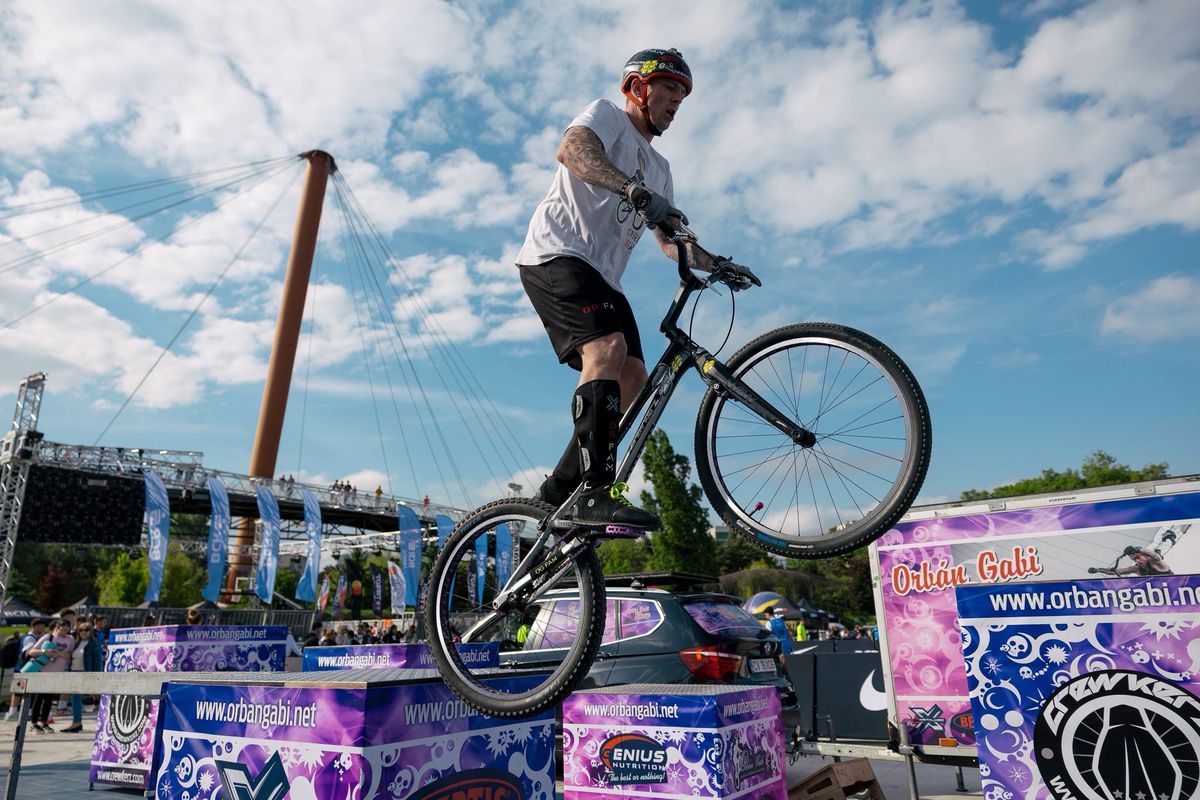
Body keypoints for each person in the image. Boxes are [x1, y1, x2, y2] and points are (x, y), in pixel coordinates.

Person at [518, 48, 720, 530]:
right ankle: (595, 491)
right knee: (605, 348)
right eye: (669, 90)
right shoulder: (606, 116)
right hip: (558, 253)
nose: (676, 103)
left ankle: (558, 490)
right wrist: (631, 189)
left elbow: (670, 241)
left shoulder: (661, 168)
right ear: (637, 88)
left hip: (604, 276)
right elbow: (574, 151)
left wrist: (716, 263)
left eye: (682, 96)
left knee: (632, 376)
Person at [28, 619, 74, 732]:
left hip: (56, 673)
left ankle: (44, 722)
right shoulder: (49, 637)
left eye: (67, 625)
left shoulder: (70, 639)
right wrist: (44, 651)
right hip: (43, 672)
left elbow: (68, 655)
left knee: (49, 699)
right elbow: (31, 651)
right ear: (57, 627)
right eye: (62, 625)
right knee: (39, 698)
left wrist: (57, 654)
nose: (65, 628)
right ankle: (34, 723)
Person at [63, 622, 102, 733]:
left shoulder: (93, 644)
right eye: (81, 630)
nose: (83, 632)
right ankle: (76, 723)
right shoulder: (76, 643)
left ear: (91, 631)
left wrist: (95, 677)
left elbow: (97, 662)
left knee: (76, 698)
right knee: (74, 698)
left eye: (86, 630)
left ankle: (77, 723)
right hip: (74, 672)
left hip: (85, 673)